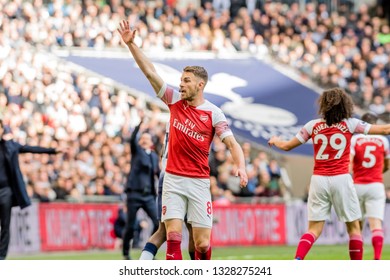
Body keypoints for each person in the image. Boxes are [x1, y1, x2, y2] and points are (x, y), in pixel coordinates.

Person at [118, 20, 248, 260]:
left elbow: (232, 143)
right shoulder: (174, 101)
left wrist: (240, 166)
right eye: (181, 80)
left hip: (199, 182)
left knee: (201, 244)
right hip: (174, 179)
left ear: (200, 85)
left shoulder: (213, 112)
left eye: (186, 81)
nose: (181, 84)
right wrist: (132, 45)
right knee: (173, 236)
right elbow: (150, 72)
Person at [268, 87, 390, 260]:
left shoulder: (313, 126)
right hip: (341, 179)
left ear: (323, 105)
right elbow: (385, 130)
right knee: (354, 229)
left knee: (313, 229)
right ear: (345, 105)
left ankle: (296, 262)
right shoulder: (350, 123)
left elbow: (287, 146)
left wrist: (276, 141)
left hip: (318, 180)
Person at [0, 120, 65, 260]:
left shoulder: (10, 146)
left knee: (5, 225)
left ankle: (1, 258)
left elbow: (30, 148)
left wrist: (52, 151)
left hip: (5, 191)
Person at [139, 124, 195, 260]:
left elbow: (165, 149)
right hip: (183, 176)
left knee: (163, 231)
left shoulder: (172, 120)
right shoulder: (190, 118)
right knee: (193, 230)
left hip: (167, 174)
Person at [350, 112, 390, 260]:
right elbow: (387, 165)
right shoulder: (383, 140)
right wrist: (378, 172)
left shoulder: (355, 139)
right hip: (376, 185)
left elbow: (349, 161)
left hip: (358, 185)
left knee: (356, 226)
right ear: (375, 124)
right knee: (375, 224)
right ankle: (377, 258)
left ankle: (358, 260)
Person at [122, 118, 160, 260]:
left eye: (147, 139)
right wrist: (139, 125)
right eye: (142, 139)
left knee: (157, 224)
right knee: (130, 225)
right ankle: (126, 253)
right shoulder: (137, 152)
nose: (144, 141)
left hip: (149, 195)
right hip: (134, 194)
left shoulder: (154, 157)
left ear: (151, 143)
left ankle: (149, 251)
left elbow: (157, 174)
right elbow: (132, 138)